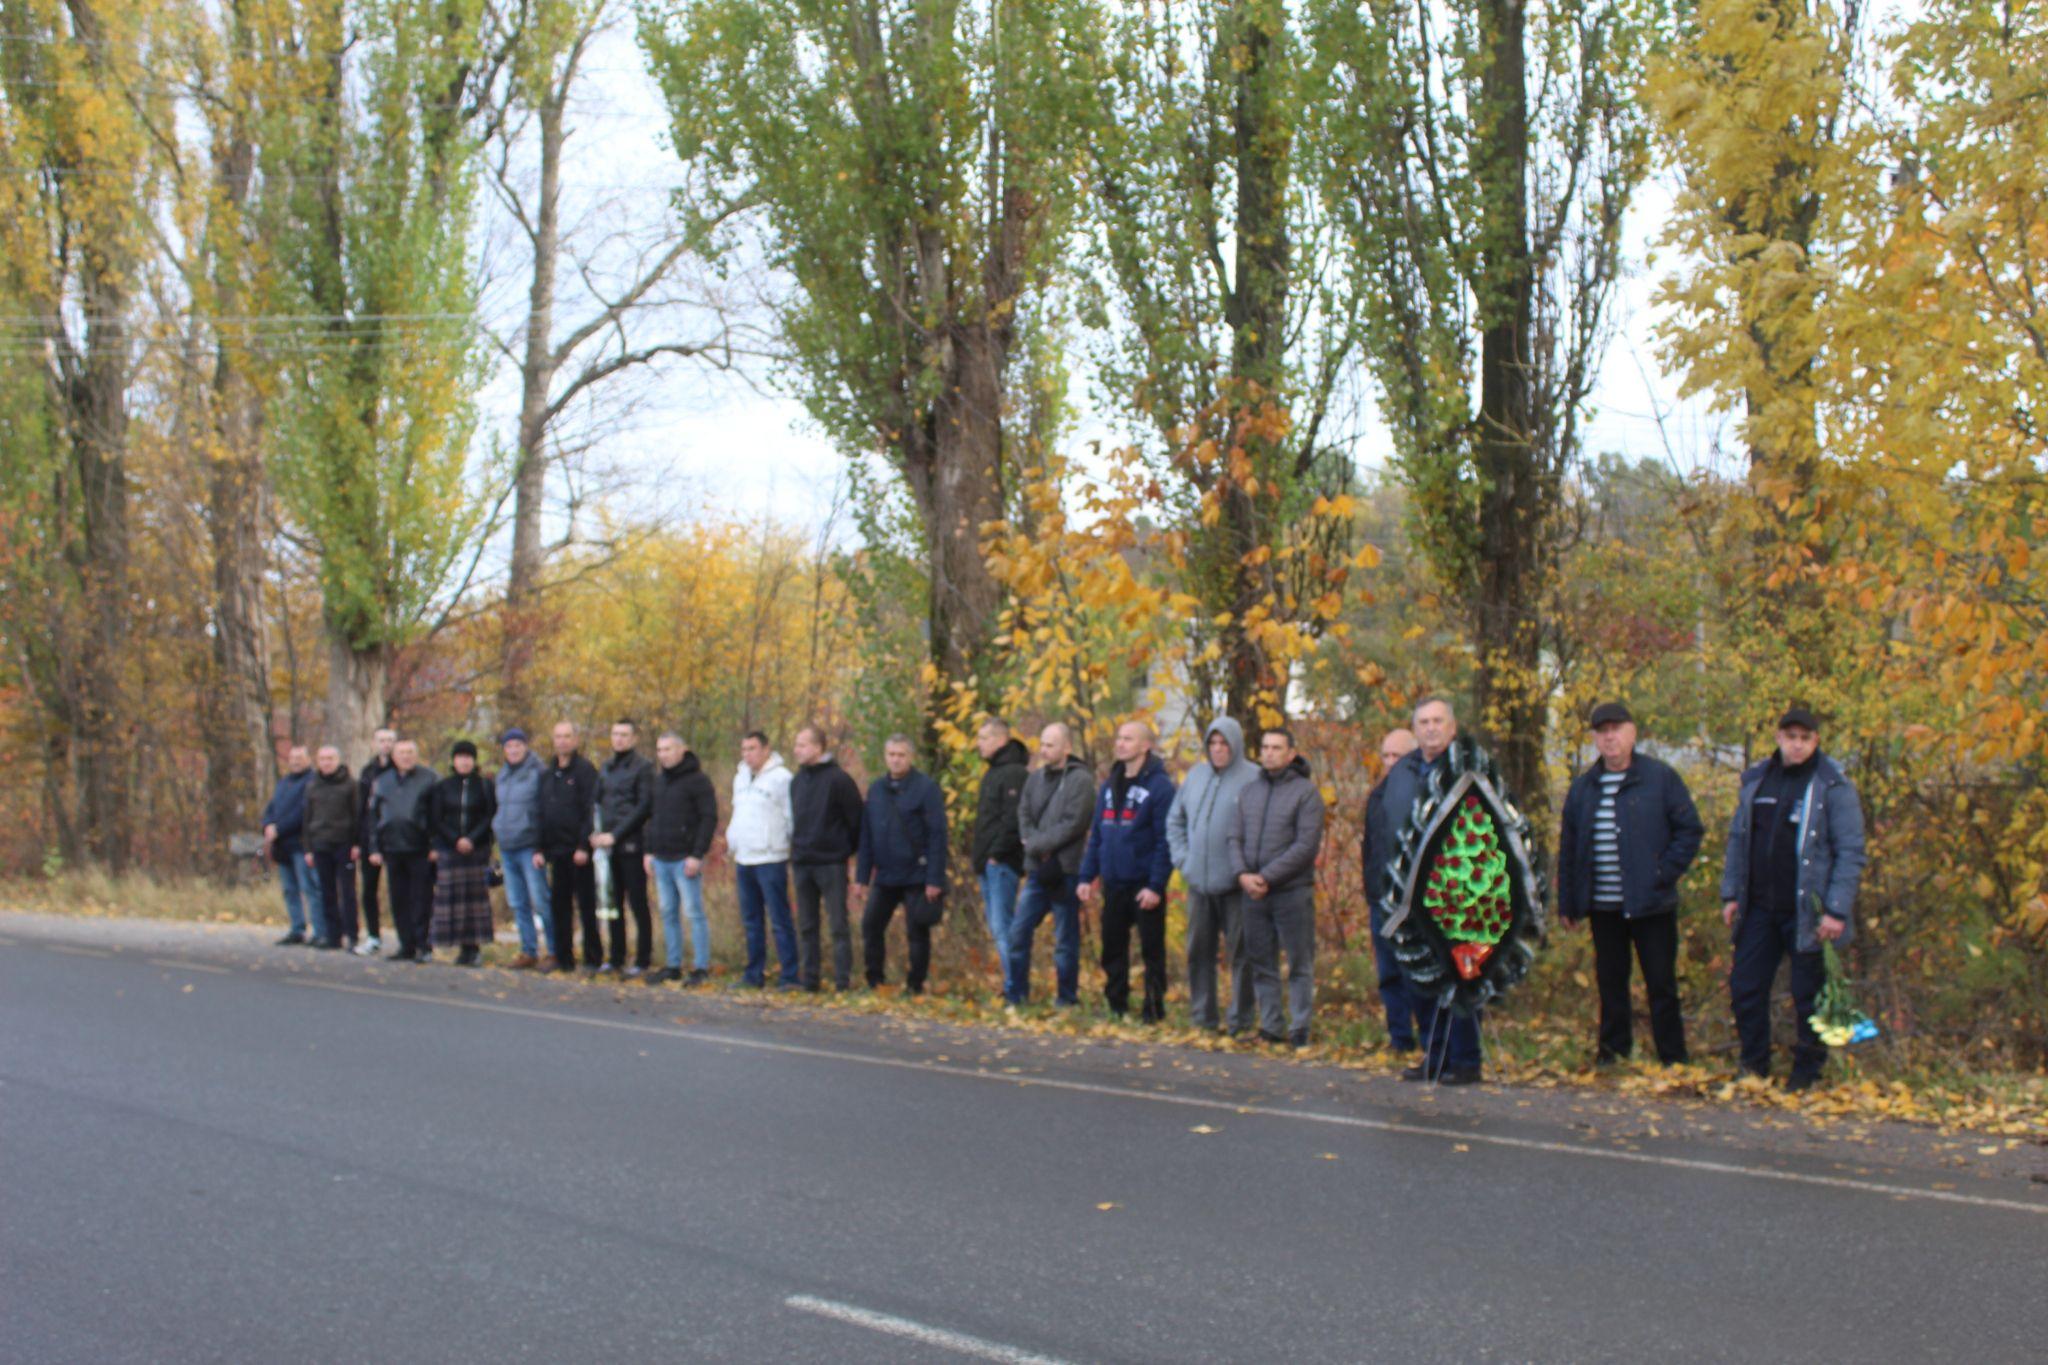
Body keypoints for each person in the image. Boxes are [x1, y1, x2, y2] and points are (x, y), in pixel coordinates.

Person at [1720, 706, 1867, 1090]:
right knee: (1746, 987)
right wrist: (1731, 893)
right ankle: (1753, 1066)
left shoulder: (1833, 785)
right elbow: (1738, 840)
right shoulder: (1757, 781)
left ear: (1815, 741)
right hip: (1758, 908)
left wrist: (1836, 910)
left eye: (1805, 738)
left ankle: (1807, 1074)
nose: (1797, 745)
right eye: (1791, 737)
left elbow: (1850, 851)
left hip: (1810, 912)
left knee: (1808, 997)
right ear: (1778, 737)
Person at [1557, 702, 1705, 1065]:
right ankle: (1613, 1055)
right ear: (1595, 738)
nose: (1610, 738)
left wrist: (1662, 874)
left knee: (1661, 983)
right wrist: (1568, 902)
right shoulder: (1584, 788)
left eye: (1616, 729)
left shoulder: (1660, 778)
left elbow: (1689, 830)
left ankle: (1673, 1059)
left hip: (1652, 903)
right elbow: (1570, 848)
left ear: (1632, 732)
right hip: (1602, 905)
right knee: (1610, 982)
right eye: (1602, 731)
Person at [1390, 696, 1483, 1083]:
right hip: (1409, 894)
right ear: (1415, 730)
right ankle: (1435, 1054)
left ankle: (1465, 1059)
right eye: (1423, 722)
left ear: (1452, 727)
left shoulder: (1471, 769)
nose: (1430, 728)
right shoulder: (1403, 771)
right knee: (1420, 978)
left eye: (1437, 721)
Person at [1230, 727, 1327, 1047]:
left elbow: (1305, 846)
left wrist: (1266, 877)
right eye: (1265, 747)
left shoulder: (1305, 793)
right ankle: (1270, 1027)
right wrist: (1243, 875)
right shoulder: (1249, 792)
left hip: (1291, 892)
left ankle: (1300, 1029)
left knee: (1299, 961)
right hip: (1252, 893)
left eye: (1276, 748)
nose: (1269, 753)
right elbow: (1234, 837)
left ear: (1291, 754)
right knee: (1261, 962)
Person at [1077, 719, 1178, 1022]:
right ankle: (1116, 1006)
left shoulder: (1160, 787)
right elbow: (1098, 834)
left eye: (1128, 739)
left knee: (1151, 951)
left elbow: (1165, 840)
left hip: (1144, 884)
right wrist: (1087, 876)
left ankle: (1153, 1009)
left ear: (1145, 746)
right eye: (1119, 738)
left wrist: (1156, 885)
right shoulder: (1110, 784)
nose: (1120, 744)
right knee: (1113, 948)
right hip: (1114, 882)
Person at [1166, 717, 1259, 1034]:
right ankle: (1203, 1017)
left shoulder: (1253, 779)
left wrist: (1244, 869)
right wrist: (1184, 859)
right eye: (1213, 743)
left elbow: (1260, 831)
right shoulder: (1196, 776)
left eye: (1224, 743)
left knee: (1241, 955)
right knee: (1199, 952)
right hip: (1198, 883)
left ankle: (1241, 1020)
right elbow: (1175, 821)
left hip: (1236, 885)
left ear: (1236, 745)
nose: (1218, 749)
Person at [1007, 722, 1096, 1007]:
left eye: (1050, 745)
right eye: (1042, 744)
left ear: (1067, 747)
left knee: (1065, 941)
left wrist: (1037, 844)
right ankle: (1016, 996)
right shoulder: (1035, 779)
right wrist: (1032, 842)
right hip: (1037, 871)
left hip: (1065, 870)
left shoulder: (1081, 781)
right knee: (1018, 932)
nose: (1043, 750)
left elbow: (1074, 823)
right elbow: (1023, 813)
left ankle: (1066, 999)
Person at [855, 734, 949, 994]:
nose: (896, 760)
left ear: (910, 757)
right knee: (871, 926)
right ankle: (875, 981)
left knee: (917, 932)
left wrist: (934, 879)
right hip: (885, 875)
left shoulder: (926, 788)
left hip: (916, 874)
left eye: (901, 755)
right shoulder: (876, 789)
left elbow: (937, 835)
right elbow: (867, 836)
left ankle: (915, 985)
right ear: (885, 756)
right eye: (892, 754)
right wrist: (862, 878)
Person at [789, 724, 863, 992]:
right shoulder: (797, 782)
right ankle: (810, 979)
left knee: (838, 924)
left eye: (802, 745)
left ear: (818, 747)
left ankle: (842, 981)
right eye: (796, 745)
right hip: (802, 862)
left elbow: (856, 821)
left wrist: (843, 851)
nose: (797, 750)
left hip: (831, 862)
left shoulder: (839, 780)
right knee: (807, 925)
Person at [1361, 728, 1421, 1051]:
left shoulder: (1424, 793)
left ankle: (1431, 1040)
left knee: (1417, 973)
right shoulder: (1377, 796)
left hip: (1413, 901)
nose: (1390, 761)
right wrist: (1370, 889)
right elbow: (1369, 847)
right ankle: (1400, 1038)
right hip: (1380, 899)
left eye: (1397, 755)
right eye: (1385, 755)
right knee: (1388, 973)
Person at [728, 731, 800, 989]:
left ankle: (789, 975)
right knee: (751, 921)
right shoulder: (740, 777)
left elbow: (791, 817)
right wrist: (733, 841)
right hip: (744, 857)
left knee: (779, 920)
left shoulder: (782, 778)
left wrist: (786, 847)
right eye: (744, 749)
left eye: (753, 748)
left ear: (766, 749)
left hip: (771, 858)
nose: (748, 754)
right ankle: (753, 974)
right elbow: (738, 813)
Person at [645, 731, 717, 986]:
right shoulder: (659, 781)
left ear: (681, 750)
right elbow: (652, 817)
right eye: (659, 750)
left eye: (668, 749)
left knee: (693, 912)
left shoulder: (698, 781)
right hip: (661, 858)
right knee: (667, 912)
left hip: (685, 859)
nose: (663, 755)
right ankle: (673, 965)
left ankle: (700, 967)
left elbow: (708, 818)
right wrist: (648, 851)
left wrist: (697, 854)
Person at [970, 719, 1030, 987]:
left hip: (1002, 863)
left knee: (1003, 927)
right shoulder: (992, 773)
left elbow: (1013, 819)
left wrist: (996, 854)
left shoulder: (1014, 773)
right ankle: (1012, 985)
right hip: (987, 863)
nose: (979, 744)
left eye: (984, 738)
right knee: (997, 929)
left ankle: (1016, 988)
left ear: (1001, 740)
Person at [366, 739, 438, 963]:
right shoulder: (382, 781)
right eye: (401, 753)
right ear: (394, 756)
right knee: (398, 899)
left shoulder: (429, 779)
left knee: (421, 898)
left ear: (416, 755)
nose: (406, 756)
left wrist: (435, 845)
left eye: (410, 752)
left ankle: (423, 945)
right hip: (392, 848)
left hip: (420, 848)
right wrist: (374, 847)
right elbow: (373, 816)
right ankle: (406, 944)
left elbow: (437, 814)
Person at [428, 739, 497, 966]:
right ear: (453, 760)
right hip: (450, 849)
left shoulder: (484, 786)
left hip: (477, 850)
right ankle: (459, 947)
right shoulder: (443, 786)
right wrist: (455, 839)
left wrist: (471, 839)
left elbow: (489, 815)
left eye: (468, 757)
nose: (464, 761)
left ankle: (473, 947)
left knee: (473, 902)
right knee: (453, 901)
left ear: (474, 760)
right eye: (460, 757)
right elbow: (437, 818)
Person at [538, 722, 600, 972]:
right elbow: (542, 811)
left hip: (579, 852)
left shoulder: (585, 770)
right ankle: (564, 958)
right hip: (556, 851)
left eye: (567, 736)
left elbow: (590, 809)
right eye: (558, 737)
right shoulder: (548, 773)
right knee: (559, 907)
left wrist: (584, 845)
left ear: (575, 740)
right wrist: (540, 848)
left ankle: (592, 958)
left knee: (586, 906)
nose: (562, 741)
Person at [493, 727, 554, 970]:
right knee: (518, 902)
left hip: (529, 846)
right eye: (509, 746)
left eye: (517, 745)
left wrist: (541, 845)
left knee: (541, 900)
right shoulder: (502, 775)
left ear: (525, 746)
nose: (513, 750)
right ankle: (528, 950)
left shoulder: (538, 772)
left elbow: (545, 810)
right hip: (507, 846)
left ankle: (554, 950)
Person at [260, 744, 325, 946]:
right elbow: (272, 808)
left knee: (309, 888)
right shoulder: (284, 782)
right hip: (282, 846)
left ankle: (319, 930)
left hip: (301, 844)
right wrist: (268, 824)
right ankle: (297, 928)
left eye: (299, 758)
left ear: (308, 759)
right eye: (292, 758)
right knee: (289, 889)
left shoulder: (312, 781)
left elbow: (303, 812)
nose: (295, 761)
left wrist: (279, 828)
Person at [301, 746, 360, 950]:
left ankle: (352, 934)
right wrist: (308, 848)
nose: (327, 762)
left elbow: (357, 815)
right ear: (318, 761)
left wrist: (356, 843)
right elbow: (307, 818)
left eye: (330, 758)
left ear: (338, 760)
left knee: (347, 891)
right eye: (323, 759)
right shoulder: (312, 786)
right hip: (320, 843)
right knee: (326, 891)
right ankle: (333, 935)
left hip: (344, 843)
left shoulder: (350, 785)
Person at [354, 727, 397, 955]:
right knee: (368, 890)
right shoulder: (367, 771)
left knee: (399, 890)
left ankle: (407, 938)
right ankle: (373, 936)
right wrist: (357, 841)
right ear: (375, 743)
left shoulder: (401, 771)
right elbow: (361, 808)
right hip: (369, 838)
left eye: (390, 740)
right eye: (382, 740)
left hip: (396, 838)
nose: (386, 744)